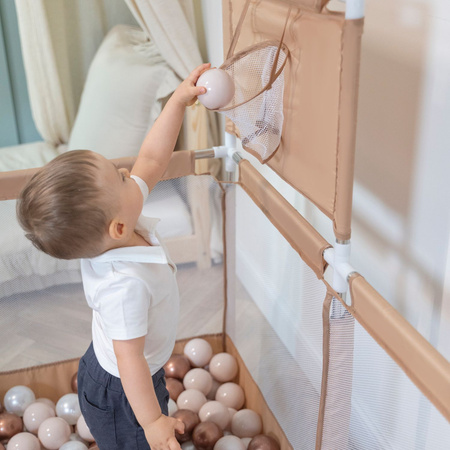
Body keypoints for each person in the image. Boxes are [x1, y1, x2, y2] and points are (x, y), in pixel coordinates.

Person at [17, 63, 211, 450]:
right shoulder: (124, 285)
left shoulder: (120, 222)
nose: (127, 171)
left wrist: (176, 102)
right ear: (118, 228)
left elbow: (152, 158)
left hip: (127, 374)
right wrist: (153, 421)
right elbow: (130, 362)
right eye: (120, 177)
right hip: (122, 392)